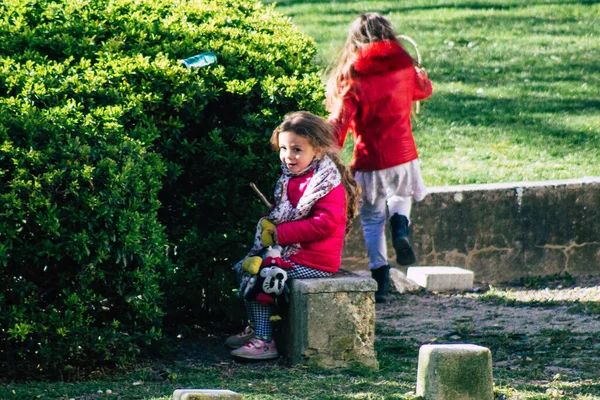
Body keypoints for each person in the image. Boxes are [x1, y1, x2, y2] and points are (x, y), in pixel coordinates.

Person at [226, 111, 360, 360]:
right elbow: (288, 212)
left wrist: (279, 234)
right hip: (296, 254)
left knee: (263, 277)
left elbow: (325, 223)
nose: (289, 156)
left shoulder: (325, 183)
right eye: (284, 148)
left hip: (315, 261)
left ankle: (265, 342)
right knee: (246, 268)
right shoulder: (293, 178)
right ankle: (257, 327)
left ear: (317, 150)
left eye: (297, 149)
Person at [326, 13, 433, 303]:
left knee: (372, 220)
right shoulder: (403, 66)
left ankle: (381, 280)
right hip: (403, 155)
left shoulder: (353, 75)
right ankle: (401, 227)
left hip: (369, 160)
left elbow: (341, 121)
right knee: (401, 196)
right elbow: (424, 91)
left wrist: (326, 146)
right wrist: (421, 75)